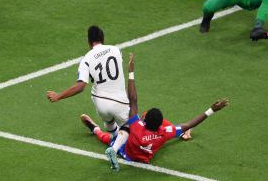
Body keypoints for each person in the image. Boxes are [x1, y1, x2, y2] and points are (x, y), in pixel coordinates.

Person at [81, 53, 229, 171]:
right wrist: (211, 110)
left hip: (127, 153)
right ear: (159, 124)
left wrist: (131, 72)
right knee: (181, 128)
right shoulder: (164, 132)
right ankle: (184, 134)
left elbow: (133, 100)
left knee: (113, 137)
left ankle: (95, 129)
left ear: (144, 121)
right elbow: (189, 124)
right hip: (146, 155)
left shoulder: (137, 126)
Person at [46, 25, 131, 153]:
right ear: (103, 38)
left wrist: (58, 96)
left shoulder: (86, 59)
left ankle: (107, 134)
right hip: (121, 102)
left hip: (101, 104)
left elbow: (80, 87)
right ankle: (114, 146)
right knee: (131, 132)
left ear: (89, 42)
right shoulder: (116, 50)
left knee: (108, 119)